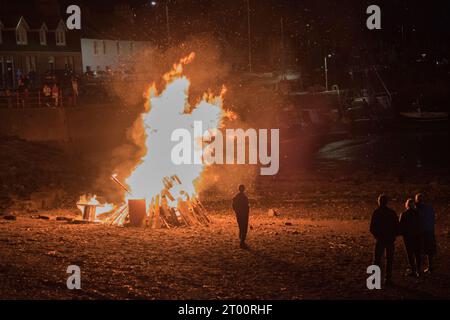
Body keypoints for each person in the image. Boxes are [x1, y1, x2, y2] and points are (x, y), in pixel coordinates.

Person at [370, 194, 399, 286]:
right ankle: (388, 279)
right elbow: (397, 227)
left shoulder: (376, 212)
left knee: (377, 259)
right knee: (389, 259)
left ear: (379, 202)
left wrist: (377, 236)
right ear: (387, 202)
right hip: (390, 239)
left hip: (380, 239)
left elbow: (372, 228)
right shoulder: (392, 213)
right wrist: (393, 236)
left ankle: (374, 280)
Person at [399, 199, 422, 277]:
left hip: (408, 237)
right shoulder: (417, 213)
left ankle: (413, 270)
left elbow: (401, 226)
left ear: (407, 205)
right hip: (417, 236)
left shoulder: (404, 214)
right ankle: (418, 270)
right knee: (417, 253)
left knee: (410, 254)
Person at [415, 193, 436, 274]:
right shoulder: (429, 208)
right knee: (429, 250)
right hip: (429, 231)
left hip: (422, 232)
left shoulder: (418, 209)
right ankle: (430, 267)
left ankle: (418, 269)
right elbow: (433, 220)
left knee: (420, 250)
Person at [232, 184, 250, 249]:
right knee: (244, 228)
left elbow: (233, 206)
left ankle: (241, 238)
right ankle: (242, 242)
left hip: (239, 215)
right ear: (243, 189)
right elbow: (247, 206)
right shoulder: (245, 197)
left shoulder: (236, 197)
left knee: (241, 227)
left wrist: (237, 212)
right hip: (244, 215)